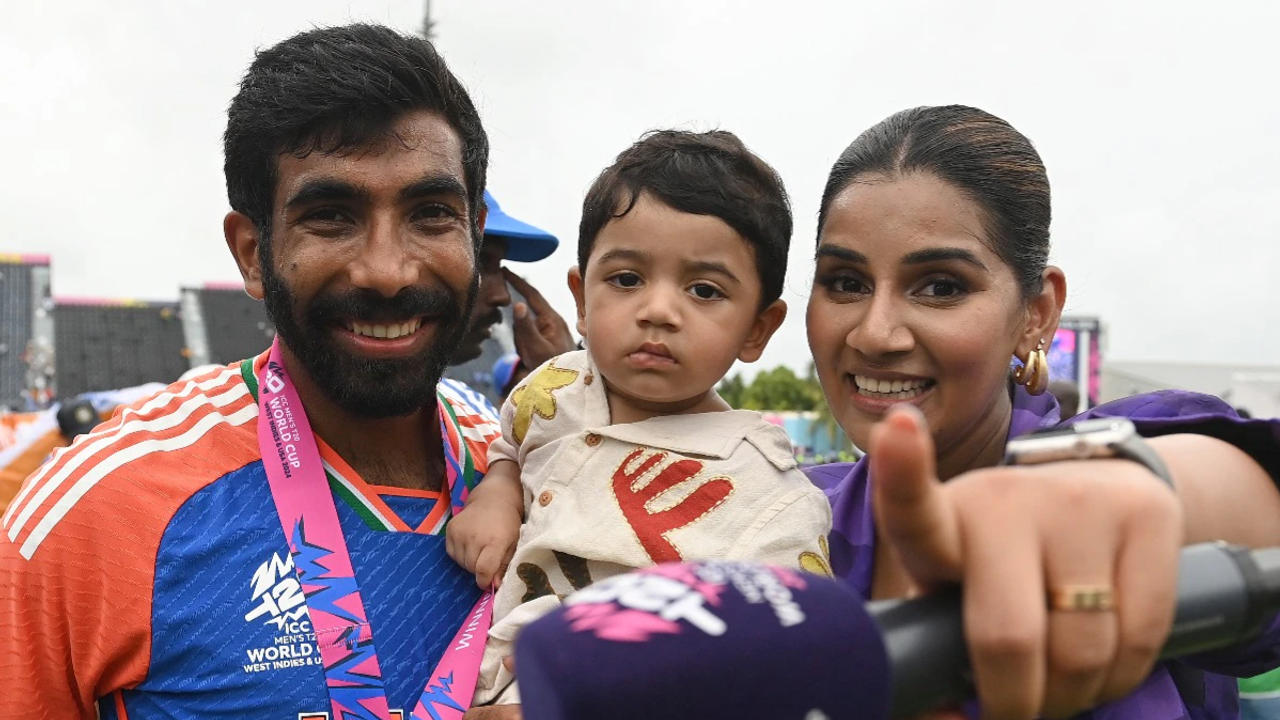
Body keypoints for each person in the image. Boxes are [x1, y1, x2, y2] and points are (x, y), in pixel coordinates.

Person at [0, 24, 517, 720]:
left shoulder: (539, 471)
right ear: (251, 252)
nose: (388, 271)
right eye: (331, 218)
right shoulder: (99, 509)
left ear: (474, 234)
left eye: (430, 215)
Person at [803, 105, 1280, 719]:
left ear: (1036, 313)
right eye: (845, 281)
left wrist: (1120, 500)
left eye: (942, 286)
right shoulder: (779, 516)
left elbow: (1238, 495)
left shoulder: (1108, 454)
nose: (876, 333)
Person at [446, 130, 833, 705]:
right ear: (581, 297)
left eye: (704, 290)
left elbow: (788, 649)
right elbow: (510, 449)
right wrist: (498, 495)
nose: (657, 311)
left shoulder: (770, 497)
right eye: (626, 280)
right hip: (480, 688)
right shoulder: (551, 387)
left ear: (757, 328)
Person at [450, 190, 574, 378]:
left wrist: (559, 380)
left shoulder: (471, 404)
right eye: (481, 262)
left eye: (499, 267)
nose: (503, 296)